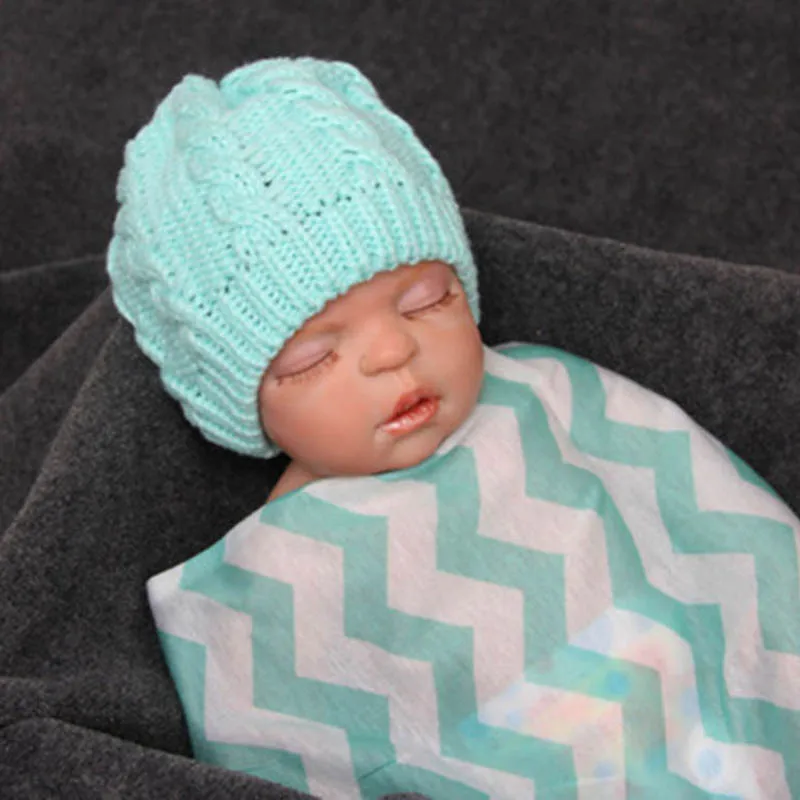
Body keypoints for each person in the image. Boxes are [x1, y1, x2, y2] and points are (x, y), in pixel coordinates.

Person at [109, 57, 800, 800]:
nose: (393, 352)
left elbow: (730, 545)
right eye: (314, 359)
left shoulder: (550, 397)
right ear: (239, 405)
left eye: (426, 302)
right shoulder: (272, 593)